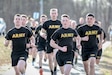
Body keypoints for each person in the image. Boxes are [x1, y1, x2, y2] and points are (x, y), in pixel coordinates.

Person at [40, 8, 62, 75]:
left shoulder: (60, 23)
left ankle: (55, 68)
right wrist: (43, 34)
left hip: (57, 43)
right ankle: (52, 71)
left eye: (55, 13)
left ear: (57, 14)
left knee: (55, 55)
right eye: (52, 13)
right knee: (50, 58)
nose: (54, 15)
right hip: (49, 42)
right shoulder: (46, 23)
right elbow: (42, 31)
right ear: (50, 14)